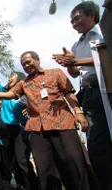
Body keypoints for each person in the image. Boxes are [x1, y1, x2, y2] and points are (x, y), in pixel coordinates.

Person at [0, 51, 92, 190]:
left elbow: (69, 92)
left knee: (72, 161)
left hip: (62, 122)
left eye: (29, 61)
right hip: (37, 128)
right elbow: (10, 94)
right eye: (23, 64)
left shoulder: (55, 73)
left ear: (38, 60)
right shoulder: (24, 83)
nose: (26, 65)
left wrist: (78, 112)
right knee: (44, 167)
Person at [53, 2, 112, 189]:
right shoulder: (76, 45)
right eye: (71, 21)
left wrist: (75, 60)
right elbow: (76, 72)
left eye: (77, 18)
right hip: (89, 94)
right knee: (96, 143)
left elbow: (106, 55)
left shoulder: (103, 32)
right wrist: (69, 64)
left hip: (107, 88)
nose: (74, 24)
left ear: (92, 15)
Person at [0, 72, 38, 190]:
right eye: (8, 77)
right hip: (6, 131)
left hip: (21, 130)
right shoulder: (4, 92)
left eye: (12, 77)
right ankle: (15, 185)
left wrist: (29, 109)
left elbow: (32, 105)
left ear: (20, 80)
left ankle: (31, 186)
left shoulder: (25, 94)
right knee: (9, 163)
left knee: (22, 160)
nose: (9, 79)